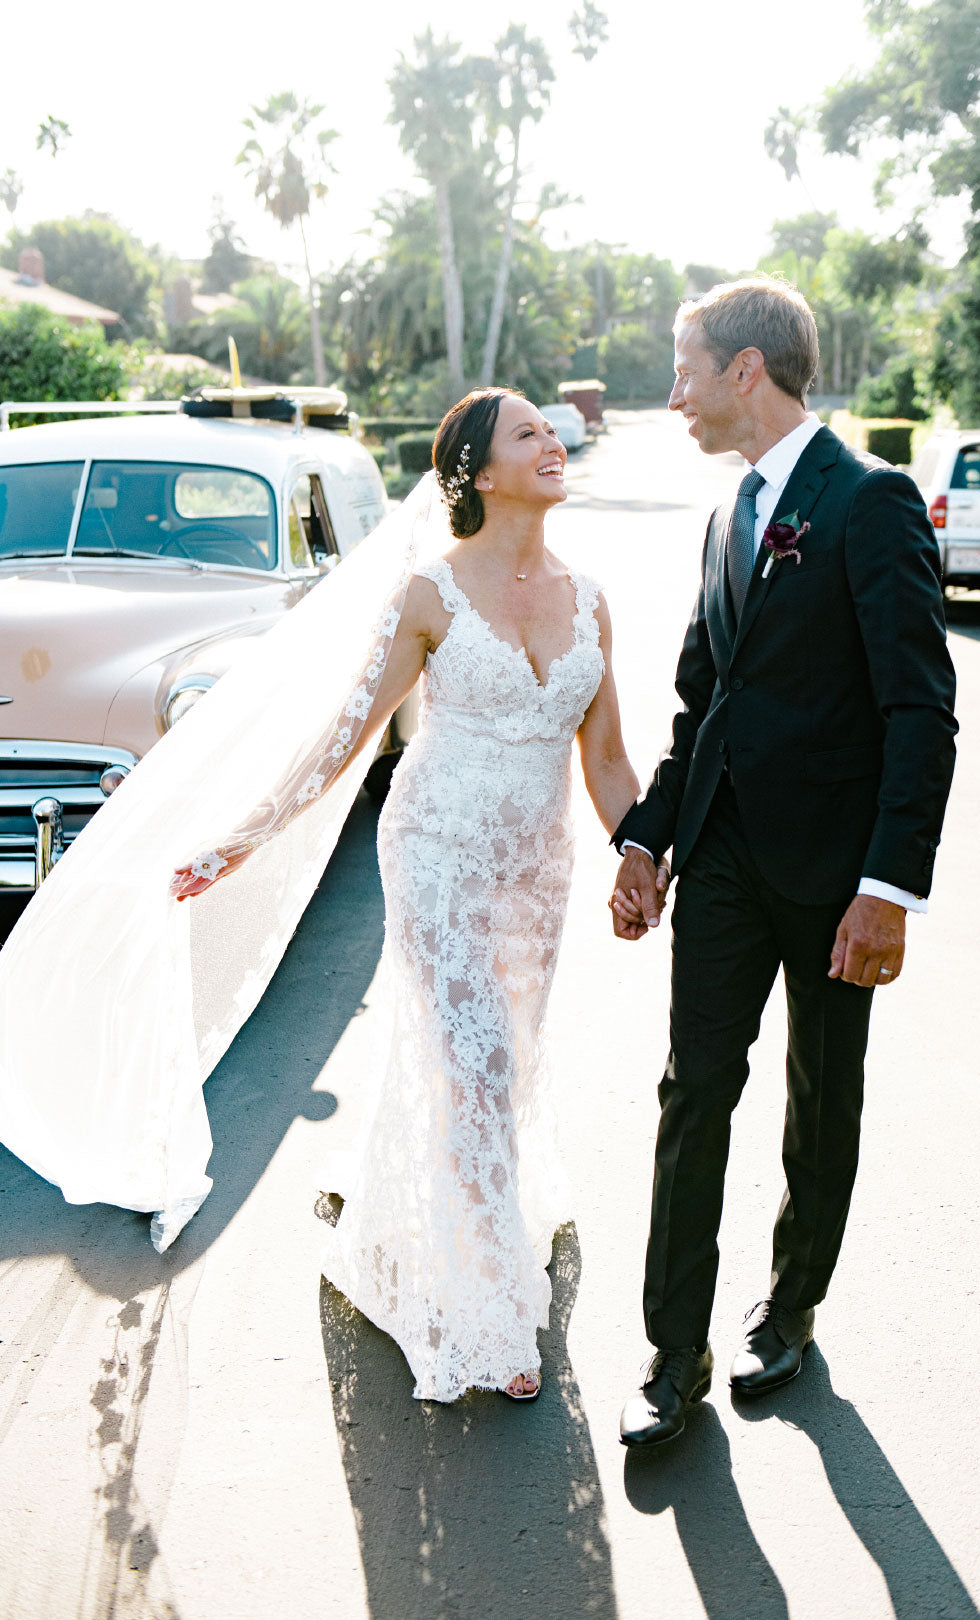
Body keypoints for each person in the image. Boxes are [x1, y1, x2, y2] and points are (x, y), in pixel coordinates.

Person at [173, 388, 646, 1403]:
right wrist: (243, 836)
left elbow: (606, 758)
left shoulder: (594, 598)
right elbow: (345, 736)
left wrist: (640, 853)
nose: (551, 440)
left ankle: (426, 1209)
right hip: (435, 854)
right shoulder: (430, 596)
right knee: (474, 1062)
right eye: (527, 433)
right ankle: (490, 1315)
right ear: (476, 474)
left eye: (548, 430)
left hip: (536, 867)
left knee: (504, 1058)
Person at [611, 277, 957, 1448]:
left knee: (823, 1103)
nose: (675, 395)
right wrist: (650, 837)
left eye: (685, 369)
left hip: (835, 882)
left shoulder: (870, 503)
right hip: (717, 868)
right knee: (690, 1094)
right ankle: (670, 1354)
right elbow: (701, 704)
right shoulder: (725, 520)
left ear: (745, 371)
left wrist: (888, 888)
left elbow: (921, 710)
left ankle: (792, 1306)